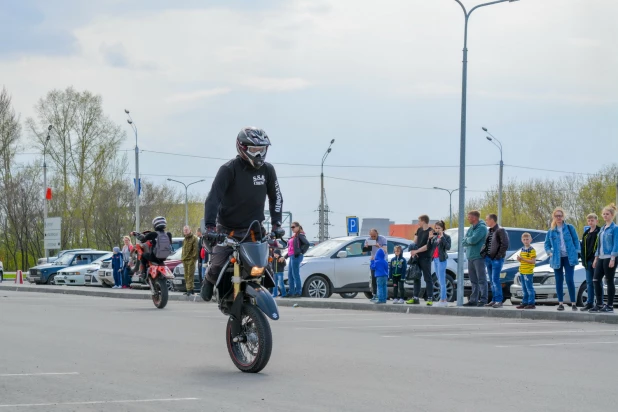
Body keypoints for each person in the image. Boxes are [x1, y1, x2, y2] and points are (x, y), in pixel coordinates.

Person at [202, 127, 283, 302]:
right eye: (254, 150)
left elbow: (276, 198)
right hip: (228, 230)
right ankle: (208, 279)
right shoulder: (228, 169)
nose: (259, 154)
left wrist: (277, 224)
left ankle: (255, 301)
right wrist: (210, 227)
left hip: (254, 231)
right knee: (217, 265)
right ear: (242, 148)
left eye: (262, 149)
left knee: (266, 270)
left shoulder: (268, 170)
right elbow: (213, 199)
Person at [544, 207, 580, 311]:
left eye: (560, 215)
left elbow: (576, 240)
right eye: (556, 216)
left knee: (569, 280)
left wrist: (577, 252)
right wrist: (549, 253)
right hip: (556, 258)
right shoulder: (551, 231)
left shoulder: (569, 227)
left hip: (569, 258)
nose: (558, 217)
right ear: (554, 217)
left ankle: (573, 303)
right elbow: (546, 244)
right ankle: (560, 303)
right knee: (559, 280)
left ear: (563, 216)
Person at [590, 204, 618, 313]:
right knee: (596, 279)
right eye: (604, 214)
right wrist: (596, 258)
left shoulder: (615, 228)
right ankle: (599, 304)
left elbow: (616, 243)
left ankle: (610, 305)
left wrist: (613, 258)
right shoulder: (602, 228)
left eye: (607, 214)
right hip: (601, 257)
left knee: (609, 280)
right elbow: (599, 244)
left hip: (609, 257)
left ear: (612, 215)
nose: (605, 216)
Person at [462, 211, 489, 307]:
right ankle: (473, 300)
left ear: (474, 218)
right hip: (470, 257)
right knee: (473, 280)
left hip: (478, 257)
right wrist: (468, 240)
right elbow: (463, 241)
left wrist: (468, 240)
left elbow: (473, 240)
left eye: (469, 217)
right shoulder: (471, 228)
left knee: (481, 279)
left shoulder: (481, 228)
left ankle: (483, 299)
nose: (468, 218)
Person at [482, 214, 509, 308]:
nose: (486, 221)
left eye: (487, 219)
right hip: (488, 258)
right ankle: (494, 300)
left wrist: (498, 256)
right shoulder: (490, 230)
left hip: (496, 259)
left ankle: (498, 300)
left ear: (492, 220)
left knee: (495, 279)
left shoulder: (500, 230)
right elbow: (486, 244)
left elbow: (505, 244)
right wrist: (484, 254)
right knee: (491, 280)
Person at [408, 215, 435, 306]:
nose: (418, 223)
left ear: (423, 221)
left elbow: (428, 246)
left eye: (419, 221)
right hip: (417, 257)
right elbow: (414, 242)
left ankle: (430, 298)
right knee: (416, 277)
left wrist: (417, 250)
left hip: (426, 258)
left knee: (428, 278)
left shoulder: (431, 231)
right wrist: (413, 250)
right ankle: (415, 298)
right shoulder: (419, 230)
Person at [429, 220, 451, 307]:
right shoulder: (435, 237)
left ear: (443, 228)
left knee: (442, 281)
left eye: (439, 228)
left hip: (442, 260)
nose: (437, 230)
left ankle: (443, 300)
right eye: (436, 228)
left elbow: (448, 247)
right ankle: (443, 299)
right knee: (439, 279)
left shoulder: (446, 237)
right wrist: (430, 239)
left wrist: (442, 238)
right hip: (435, 259)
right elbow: (430, 247)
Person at [581, 214, 601, 311]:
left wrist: (596, 259)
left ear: (596, 221)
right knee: (589, 282)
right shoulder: (586, 234)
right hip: (588, 261)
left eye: (592, 220)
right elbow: (583, 248)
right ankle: (590, 303)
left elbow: (600, 246)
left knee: (597, 282)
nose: (590, 222)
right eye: (589, 221)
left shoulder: (600, 231)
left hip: (597, 260)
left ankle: (600, 303)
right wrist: (584, 261)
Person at [364, 229, 387, 301]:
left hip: (381, 260)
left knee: (380, 280)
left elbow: (385, 251)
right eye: (371, 236)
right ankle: (374, 294)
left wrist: (378, 246)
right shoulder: (368, 239)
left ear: (377, 234)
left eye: (374, 236)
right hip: (374, 261)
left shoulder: (382, 239)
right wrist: (366, 247)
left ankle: (381, 297)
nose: (373, 238)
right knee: (373, 279)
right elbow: (364, 253)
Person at [287, 222, 310, 297]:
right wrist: (284, 257)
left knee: (295, 274)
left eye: (293, 227)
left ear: (298, 227)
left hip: (296, 256)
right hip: (291, 256)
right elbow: (291, 248)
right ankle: (291, 292)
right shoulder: (294, 236)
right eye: (291, 227)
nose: (292, 229)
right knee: (290, 274)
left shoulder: (300, 235)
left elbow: (307, 244)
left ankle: (298, 292)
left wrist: (300, 252)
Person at [515, 233, 536, 309]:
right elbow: (522, 261)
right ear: (522, 240)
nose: (526, 241)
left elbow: (533, 261)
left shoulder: (532, 250)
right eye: (524, 239)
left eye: (527, 239)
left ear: (530, 240)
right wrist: (519, 260)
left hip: (528, 272)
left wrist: (523, 259)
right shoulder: (522, 249)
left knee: (529, 288)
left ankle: (531, 303)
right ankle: (525, 302)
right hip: (522, 271)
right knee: (524, 288)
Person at [181, 225, 198, 296]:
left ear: (190, 230)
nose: (185, 231)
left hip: (191, 259)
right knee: (186, 275)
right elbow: (183, 249)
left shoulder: (194, 238)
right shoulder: (184, 239)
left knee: (190, 276)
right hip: (185, 259)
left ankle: (189, 290)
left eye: (186, 230)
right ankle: (190, 289)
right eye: (184, 230)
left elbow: (195, 250)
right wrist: (182, 258)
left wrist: (193, 259)